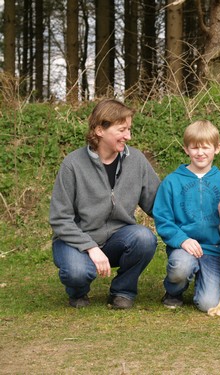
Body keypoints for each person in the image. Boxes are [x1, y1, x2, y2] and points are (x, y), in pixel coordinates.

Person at [49, 99, 160, 309]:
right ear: (100, 130)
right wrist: (89, 246)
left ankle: (123, 291)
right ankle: (78, 291)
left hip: (117, 239)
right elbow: (60, 219)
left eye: (129, 129)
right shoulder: (72, 164)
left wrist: (192, 225)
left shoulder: (136, 160)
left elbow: (159, 205)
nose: (128, 136)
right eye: (122, 130)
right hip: (75, 242)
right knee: (77, 272)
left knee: (144, 238)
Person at [153, 120, 220, 312]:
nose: (200, 153)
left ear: (217, 149)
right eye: (194, 147)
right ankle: (173, 290)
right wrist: (182, 240)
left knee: (208, 304)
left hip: (215, 250)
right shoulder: (171, 182)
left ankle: (204, 283)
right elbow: (162, 218)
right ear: (186, 149)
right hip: (185, 248)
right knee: (180, 267)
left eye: (205, 147)